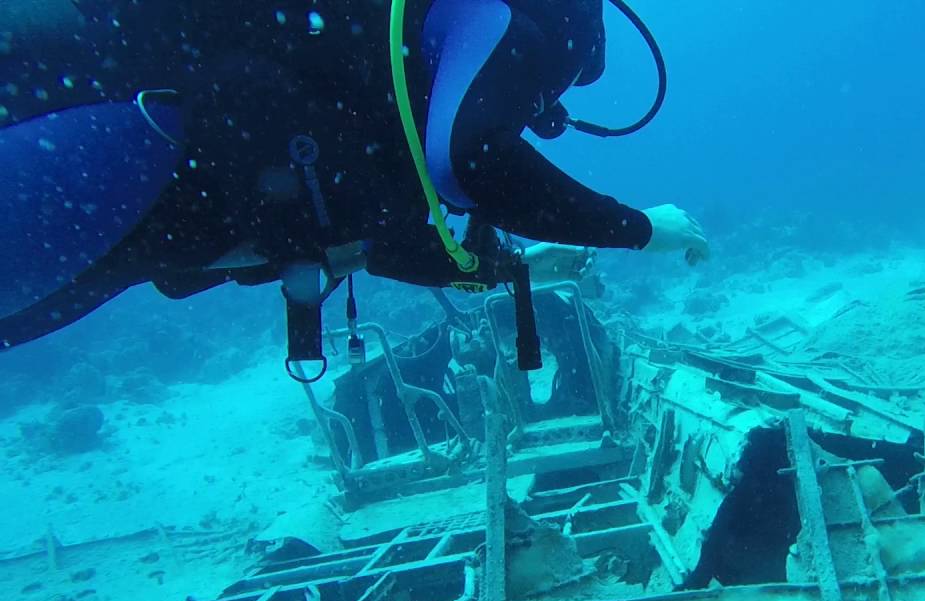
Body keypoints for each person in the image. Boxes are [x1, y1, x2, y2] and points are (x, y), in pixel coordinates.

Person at [0, 0, 709, 355]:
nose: (530, 112)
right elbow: (472, 162)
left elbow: (381, 242)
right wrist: (639, 229)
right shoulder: (534, 18)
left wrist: (509, 265)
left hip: (127, 195)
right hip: (111, 141)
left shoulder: (376, 79)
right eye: (539, 100)